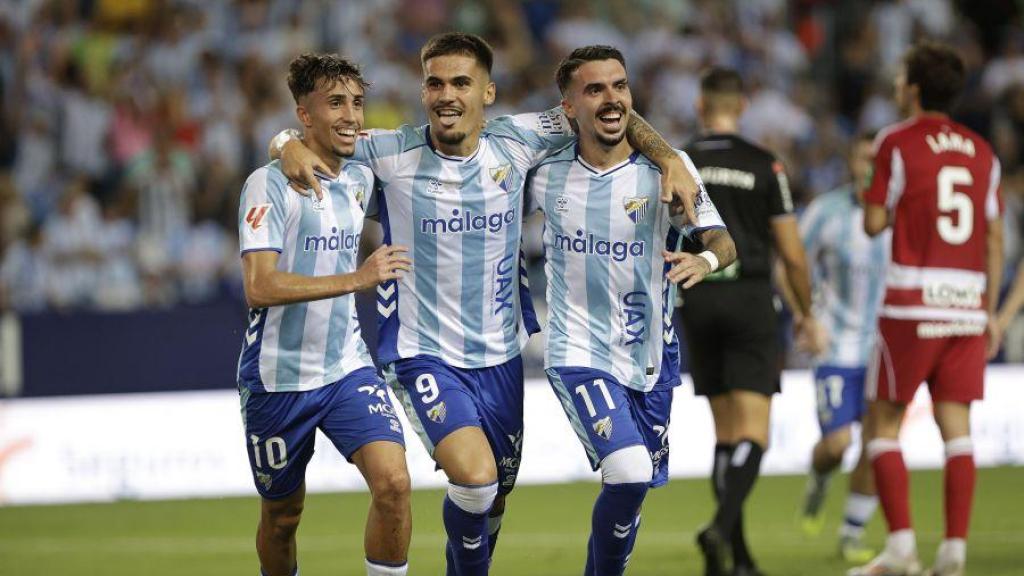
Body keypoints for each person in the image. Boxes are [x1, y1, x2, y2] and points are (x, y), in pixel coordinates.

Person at [268, 33, 698, 575]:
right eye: (435, 84)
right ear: (423, 92)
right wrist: (285, 142)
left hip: (501, 358)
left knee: (493, 500)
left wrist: (668, 158)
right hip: (423, 354)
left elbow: (606, 107)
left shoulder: (517, 139)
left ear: (487, 92)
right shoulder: (391, 151)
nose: (447, 95)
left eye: (461, 83)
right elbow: (319, 134)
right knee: (475, 480)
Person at [526, 46, 736, 576]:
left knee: (635, 486)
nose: (611, 98)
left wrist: (705, 259)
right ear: (568, 107)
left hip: (649, 357)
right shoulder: (543, 173)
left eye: (619, 86)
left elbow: (723, 240)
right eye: (594, 89)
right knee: (628, 470)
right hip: (577, 350)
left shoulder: (667, 170)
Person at [237, 54, 414, 576]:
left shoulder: (361, 172)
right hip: (277, 379)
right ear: (304, 113)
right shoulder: (268, 184)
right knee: (282, 517)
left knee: (394, 483)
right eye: (335, 103)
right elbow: (259, 287)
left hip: (345, 368)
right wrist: (358, 278)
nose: (351, 115)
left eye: (357, 103)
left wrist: (283, 139)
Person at [850, 42, 1004, 576]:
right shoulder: (982, 151)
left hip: (911, 304)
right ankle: (954, 551)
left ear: (913, 89)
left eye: (900, 78)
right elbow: (994, 236)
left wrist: (887, 198)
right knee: (957, 429)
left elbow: (873, 222)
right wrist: (989, 308)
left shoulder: (895, 141)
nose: (896, 86)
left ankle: (901, 550)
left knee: (883, 425)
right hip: (967, 305)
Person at [680, 66, 819, 576]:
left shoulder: (679, 161)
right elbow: (793, 254)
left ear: (700, 106)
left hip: (697, 296)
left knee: (724, 434)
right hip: (751, 299)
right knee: (753, 434)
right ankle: (720, 528)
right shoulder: (765, 164)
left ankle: (736, 559)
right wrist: (806, 312)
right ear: (742, 107)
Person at [790, 132, 887, 563]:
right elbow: (790, 265)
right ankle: (819, 478)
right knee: (836, 444)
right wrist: (804, 316)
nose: (870, 169)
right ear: (850, 162)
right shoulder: (826, 211)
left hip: (886, 349)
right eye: (863, 159)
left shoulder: (903, 213)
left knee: (877, 441)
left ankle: (852, 532)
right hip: (834, 345)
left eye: (878, 161)